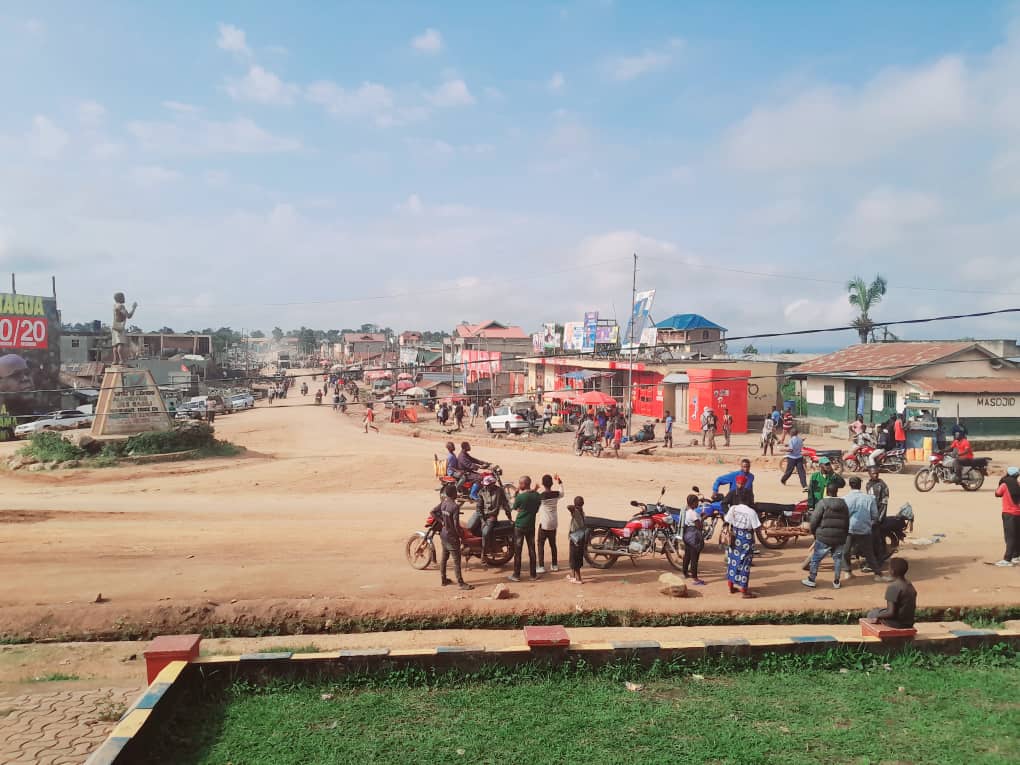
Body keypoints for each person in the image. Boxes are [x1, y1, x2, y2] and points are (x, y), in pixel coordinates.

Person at [842, 476, 891, 581]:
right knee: (869, 553)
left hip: (849, 529)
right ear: (860, 485)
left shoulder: (845, 499)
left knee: (845, 551)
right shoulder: (869, 498)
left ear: (850, 485)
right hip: (865, 530)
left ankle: (847, 572)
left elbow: (844, 515)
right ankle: (878, 574)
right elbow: (875, 515)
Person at [802, 482, 850, 589]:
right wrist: (844, 535)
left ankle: (811, 579)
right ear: (836, 492)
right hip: (839, 537)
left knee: (816, 559)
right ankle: (836, 581)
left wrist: (814, 533)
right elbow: (847, 522)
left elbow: (814, 520)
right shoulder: (844, 504)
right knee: (837, 559)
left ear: (827, 491)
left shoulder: (822, 503)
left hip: (824, 537)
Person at [722, 484, 767, 598]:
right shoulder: (751, 512)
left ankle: (731, 586)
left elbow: (727, 520)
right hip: (746, 539)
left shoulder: (733, 508)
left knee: (733, 562)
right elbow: (756, 528)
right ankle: (744, 591)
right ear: (749, 499)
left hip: (735, 537)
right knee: (745, 564)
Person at [432, 484, 474, 591]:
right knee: (456, 561)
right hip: (451, 537)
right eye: (456, 492)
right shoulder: (454, 507)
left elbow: (432, 512)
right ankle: (460, 583)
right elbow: (456, 525)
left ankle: (443, 579)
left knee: (444, 558)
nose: (457, 494)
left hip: (443, 535)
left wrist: (442, 521)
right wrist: (460, 535)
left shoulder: (443, 503)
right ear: (453, 494)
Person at [866, 557, 916, 629]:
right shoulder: (909, 584)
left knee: (872, 613)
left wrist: (877, 616)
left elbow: (891, 613)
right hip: (909, 623)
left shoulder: (893, 587)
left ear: (892, 571)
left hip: (897, 624)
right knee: (879, 610)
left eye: (889, 568)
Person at [508, 476, 540, 582]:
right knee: (532, 550)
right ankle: (533, 575)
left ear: (523, 484)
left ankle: (516, 575)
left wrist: (516, 494)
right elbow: (536, 509)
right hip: (531, 525)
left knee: (518, 551)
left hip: (520, 526)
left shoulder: (521, 497)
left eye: (520, 483)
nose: (518, 485)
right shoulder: (537, 495)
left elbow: (514, 507)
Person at [474, 474, 509, 564]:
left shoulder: (499, 491)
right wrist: (482, 520)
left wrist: (510, 517)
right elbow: (479, 507)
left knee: (485, 533)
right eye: (485, 485)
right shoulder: (482, 491)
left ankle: (484, 554)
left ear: (493, 484)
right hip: (481, 516)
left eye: (488, 485)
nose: (486, 487)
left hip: (491, 517)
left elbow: (505, 504)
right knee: (470, 527)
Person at [536, 474, 564, 574]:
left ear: (543, 484)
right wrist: (559, 481)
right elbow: (562, 492)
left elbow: (534, 498)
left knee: (540, 544)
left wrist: (535, 489)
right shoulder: (556, 494)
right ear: (552, 483)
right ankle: (554, 565)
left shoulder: (541, 496)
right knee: (553, 545)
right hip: (554, 523)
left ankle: (541, 566)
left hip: (544, 523)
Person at [994, 467, 1020, 566]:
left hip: (1009, 514)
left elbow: (997, 493)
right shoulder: (1018, 484)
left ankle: (1007, 559)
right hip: (1018, 514)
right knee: (1017, 536)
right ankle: (1016, 556)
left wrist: (1001, 480)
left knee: (1009, 537)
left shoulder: (1005, 484)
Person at [681, 493, 706, 585]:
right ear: (693, 503)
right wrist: (703, 518)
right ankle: (695, 578)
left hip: (687, 535)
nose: (698, 504)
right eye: (697, 502)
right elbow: (699, 526)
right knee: (694, 558)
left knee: (687, 555)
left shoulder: (687, 512)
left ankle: (685, 572)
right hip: (694, 537)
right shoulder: (693, 513)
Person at [111, 292, 137, 366]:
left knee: (115, 345)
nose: (124, 298)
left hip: (114, 327)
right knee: (120, 344)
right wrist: (134, 308)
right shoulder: (121, 306)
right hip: (120, 327)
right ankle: (121, 360)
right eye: (123, 297)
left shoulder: (114, 305)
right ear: (120, 298)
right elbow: (128, 316)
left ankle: (115, 360)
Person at [566, 497, 587, 584]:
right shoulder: (582, 512)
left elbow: (569, 507)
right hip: (579, 538)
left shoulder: (577, 512)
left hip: (575, 539)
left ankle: (579, 579)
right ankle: (573, 576)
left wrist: (574, 507)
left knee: (575, 559)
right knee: (574, 558)